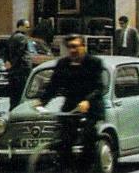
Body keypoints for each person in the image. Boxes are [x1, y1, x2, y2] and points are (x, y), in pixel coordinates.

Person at [31, 35, 106, 170]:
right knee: (64, 139)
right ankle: (66, 167)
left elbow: (99, 87)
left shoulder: (94, 63)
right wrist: (42, 101)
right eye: (70, 47)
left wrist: (87, 101)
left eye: (75, 47)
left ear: (83, 47)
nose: (72, 50)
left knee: (88, 137)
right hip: (71, 106)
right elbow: (53, 85)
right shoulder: (62, 64)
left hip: (91, 106)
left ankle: (86, 167)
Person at [5, 18, 34, 110]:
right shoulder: (22, 37)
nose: (28, 29)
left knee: (14, 94)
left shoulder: (11, 37)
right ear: (20, 26)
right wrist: (14, 64)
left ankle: (12, 109)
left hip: (14, 71)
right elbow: (19, 53)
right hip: (21, 70)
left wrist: (8, 63)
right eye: (27, 27)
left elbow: (6, 52)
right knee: (22, 92)